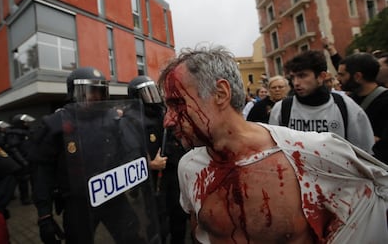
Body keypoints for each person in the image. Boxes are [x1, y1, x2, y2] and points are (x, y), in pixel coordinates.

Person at [157, 45, 388, 243]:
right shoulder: (189, 167)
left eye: (177, 104)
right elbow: (199, 231)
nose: (167, 120)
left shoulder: (313, 153)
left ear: (220, 93)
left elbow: (379, 192)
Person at [32, 67, 160, 244]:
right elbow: (41, 170)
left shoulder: (113, 119)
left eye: (99, 92)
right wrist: (44, 214)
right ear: (72, 93)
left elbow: (129, 149)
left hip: (112, 194)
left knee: (133, 236)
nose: (95, 98)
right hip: (78, 203)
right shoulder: (55, 124)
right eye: (88, 92)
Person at [269, 50, 374, 153]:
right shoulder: (281, 109)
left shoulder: (346, 106)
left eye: (302, 76)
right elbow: (273, 151)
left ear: (321, 76)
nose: (296, 82)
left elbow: (364, 152)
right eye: (292, 77)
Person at [126, 75, 188, 243]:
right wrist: (149, 165)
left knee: (179, 215)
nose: (152, 97)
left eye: (153, 92)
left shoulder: (163, 114)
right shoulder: (130, 120)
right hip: (152, 180)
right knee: (158, 221)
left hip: (173, 174)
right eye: (146, 93)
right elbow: (128, 154)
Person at [337, 53, 388, 164]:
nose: (338, 79)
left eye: (342, 75)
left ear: (358, 77)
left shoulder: (385, 101)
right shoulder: (345, 101)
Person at [5, 114, 36, 205]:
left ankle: (35, 196)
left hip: (31, 159)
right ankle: (25, 199)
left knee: (34, 179)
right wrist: (23, 161)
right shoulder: (14, 133)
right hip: (22, 161)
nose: (27, 123)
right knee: (23, 181)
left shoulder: (27, 131)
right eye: (25, 122)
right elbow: (14, 149)